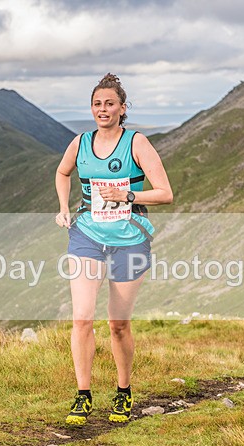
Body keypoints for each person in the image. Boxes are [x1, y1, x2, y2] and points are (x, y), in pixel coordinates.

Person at [54, 73, 174, 426]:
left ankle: (123, 392)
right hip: (87, 237)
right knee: (82, 317)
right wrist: (64, 208)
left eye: (109, 104)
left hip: (129, 240)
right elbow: (62, 173)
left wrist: (128, 195)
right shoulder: (80, 143)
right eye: (97, 104)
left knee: (118, 324)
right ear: (91, 109)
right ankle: (83, 395)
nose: (102, 109)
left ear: (122, 109)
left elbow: (165, 193)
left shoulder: (137, 143)